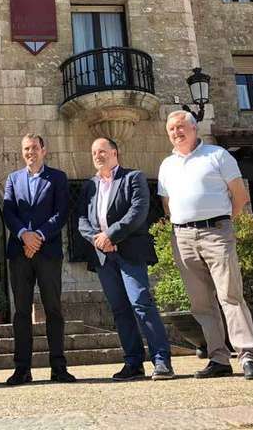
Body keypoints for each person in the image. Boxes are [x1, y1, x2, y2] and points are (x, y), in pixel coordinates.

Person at [158, 111, 253, 380]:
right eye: (171, 129)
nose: (176, 132)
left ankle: (247, 356)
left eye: (181, 127)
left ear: (194, 128)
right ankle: (218, 358)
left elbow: (239, 196)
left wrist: (223, 223)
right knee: (201, 303)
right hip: (182, 237)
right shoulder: (166, 165)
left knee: (230, 294)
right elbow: (167, 205)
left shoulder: (218, 155)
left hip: (216, 231)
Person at [78, 137, 174, 381]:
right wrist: (97, 239)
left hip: (129, 252)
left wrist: (111, 234)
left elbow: (138, 211)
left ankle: (161, 360)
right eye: (94, 152)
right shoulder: (89, 185)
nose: (98, 156)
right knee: (120, 310)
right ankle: (133, 362)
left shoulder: (133, 178)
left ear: (115, 153)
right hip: (103, 256)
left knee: (141, 302)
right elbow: (82, 220)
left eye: (102, 151)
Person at [3, 133, 75, 385]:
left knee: (53, 309)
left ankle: (58, 367)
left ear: (44, 150)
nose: (30, 152)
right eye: (26, 149)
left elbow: (62, 212)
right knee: (21, 311)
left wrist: (39, 236)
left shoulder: (57, 178)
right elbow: (8, 211)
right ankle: (22, 369)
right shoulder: (13, 179)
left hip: (48, 252)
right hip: (20, 252)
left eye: (34, 147)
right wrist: (25, 236)